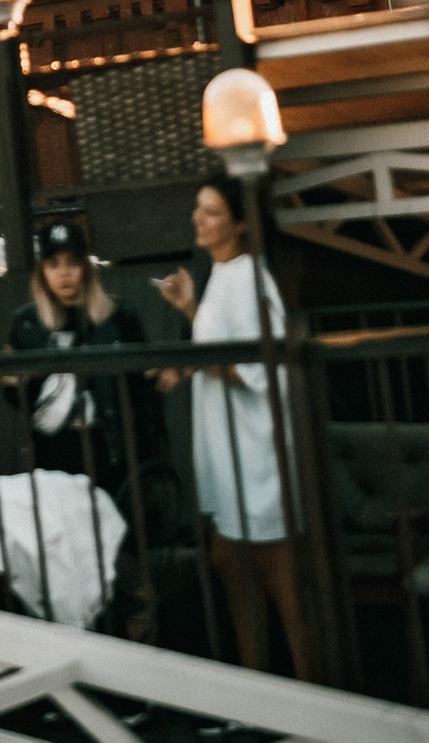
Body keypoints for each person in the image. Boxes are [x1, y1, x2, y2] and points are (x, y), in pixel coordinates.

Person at [157, 175, 313, 681]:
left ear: (240, 225)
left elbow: (255, 364)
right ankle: (263, 689)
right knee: (231, 564)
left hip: (257, 453)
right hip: (233, 451)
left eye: (211, 213)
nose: (197, 219)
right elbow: (222, 346)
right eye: (197, 209)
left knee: (275, 577)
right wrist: (189, 311)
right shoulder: (224, 274)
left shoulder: (249, 276)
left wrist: (191, 363)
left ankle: (314, 695)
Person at [4, 219, 162, 491]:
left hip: (109, 451)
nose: (63, 273)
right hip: (51, 452)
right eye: (53, 264)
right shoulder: (26, 324)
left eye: (72, 263)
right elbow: (11, 394)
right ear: (41, 271)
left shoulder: (118, 318)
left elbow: (145, 391)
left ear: (86, 268)